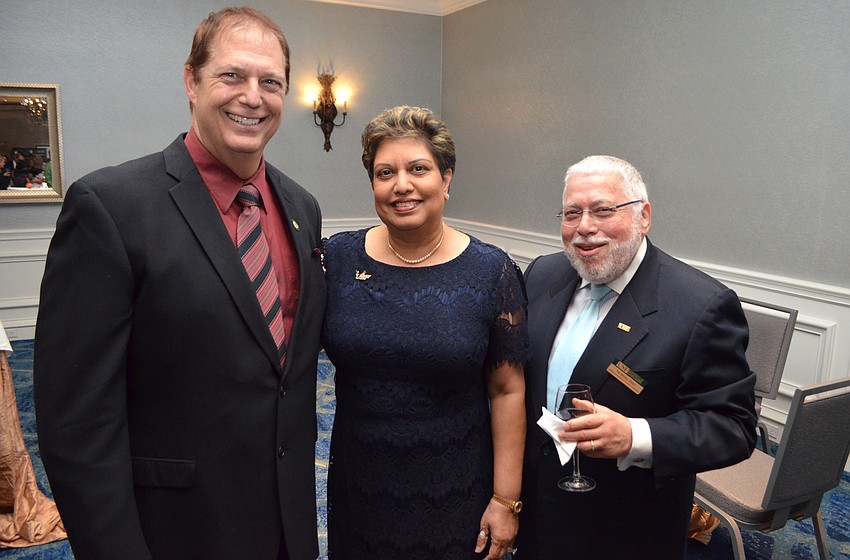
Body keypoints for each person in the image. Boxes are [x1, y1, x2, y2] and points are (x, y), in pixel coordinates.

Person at [33, 8, 326, 560]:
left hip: (290, 522)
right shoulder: (110, 207)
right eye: (232, 75)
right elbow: (77, 422)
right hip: (174, 530)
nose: (252, 96)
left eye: (271, 82)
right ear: (191, 81)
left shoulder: (301, 207)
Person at [517, 155, 757, 559]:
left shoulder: (700, 306)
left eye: (603, 210)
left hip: (625, 528)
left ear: (643, 217)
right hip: (536, 512)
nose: (585, 227)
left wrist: (634, 436)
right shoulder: (542, 274)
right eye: (572, 212)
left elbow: (733, 427)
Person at [321, 106, 530, 559]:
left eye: (419, 169)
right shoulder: (337, 259)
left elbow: (508, 389)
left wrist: (505, 499)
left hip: (454, 486)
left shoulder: (491, 271)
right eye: (384, 172)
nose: (401, 185)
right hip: (361, 481)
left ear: (447, 179)